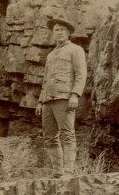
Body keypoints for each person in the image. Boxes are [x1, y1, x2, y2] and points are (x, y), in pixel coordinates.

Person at [35, 17, 87, 177]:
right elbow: (45, 79)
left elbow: (81, 74)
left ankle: (69, 171)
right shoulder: (51, 55)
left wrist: (75, 95)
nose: (59, 33)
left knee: (67, 134)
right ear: (53, 33)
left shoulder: (75, 50)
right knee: (49, 137)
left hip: (64, 98)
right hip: (47, 101)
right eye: (56, 30)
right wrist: (39, 101)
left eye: (62, 30)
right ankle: (58, 172)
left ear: (69, 32)